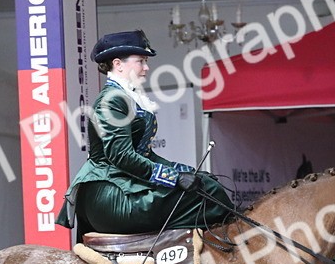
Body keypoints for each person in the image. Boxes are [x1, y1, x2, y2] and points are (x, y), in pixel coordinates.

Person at [57, 30, 235, 236]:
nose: (146, 67)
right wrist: (174, 177)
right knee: (209, 192)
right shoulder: (112, 100)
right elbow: (121, 156)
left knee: (206, 184)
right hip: (109, 195)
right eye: (141, 61)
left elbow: (145, 155)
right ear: (118, 64)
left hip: (124, 185)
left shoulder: (127, 97)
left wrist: (187, 171)